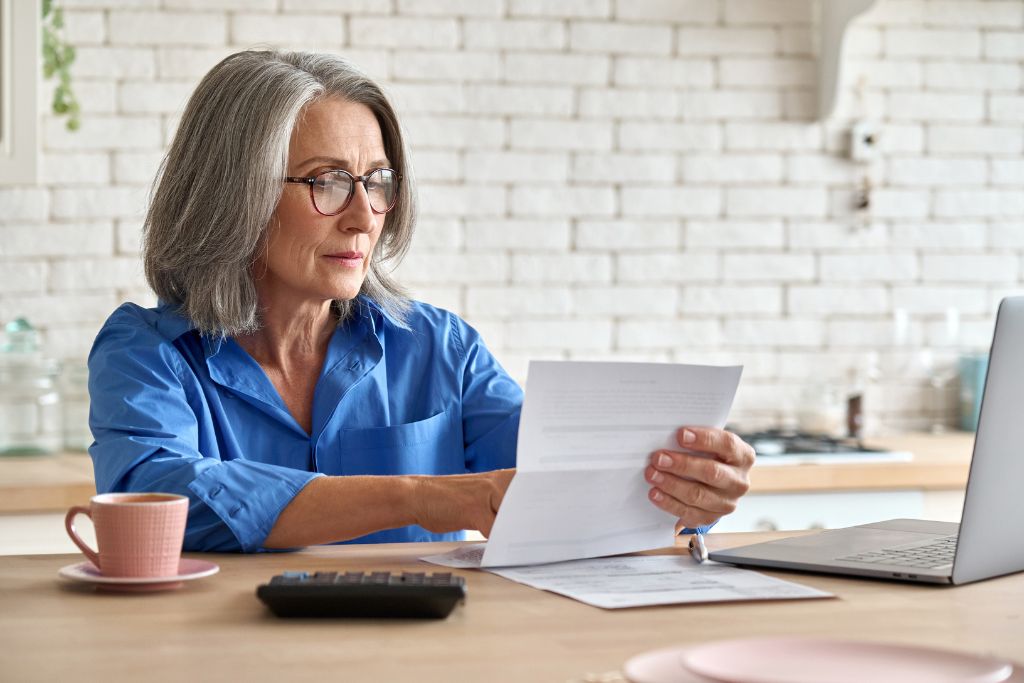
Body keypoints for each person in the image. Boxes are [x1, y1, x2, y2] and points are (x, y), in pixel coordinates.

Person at [87, 50, 755, 553]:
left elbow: (565, 478)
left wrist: (689, 488)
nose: (363, 217)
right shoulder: (146, 353)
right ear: (235, 194)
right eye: (327, 182)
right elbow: (160, 499)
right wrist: (423, 495)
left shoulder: (442, 350)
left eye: (377, 182)